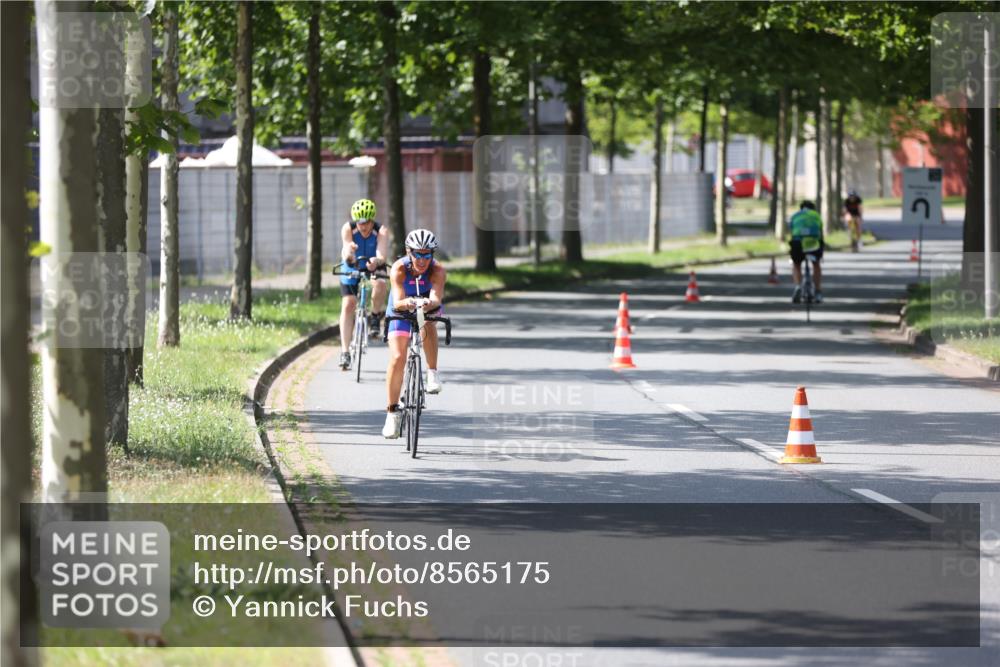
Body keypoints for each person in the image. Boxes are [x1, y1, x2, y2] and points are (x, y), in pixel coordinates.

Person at [382, 229, 447, 439]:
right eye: (417, 254)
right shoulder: (399, 269)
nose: (422, 259)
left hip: (426, 307)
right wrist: (408, 302)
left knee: (428, 322)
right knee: (398, 357)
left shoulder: (437, 271)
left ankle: (432, 373)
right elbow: (398, 300)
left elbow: (436, 298)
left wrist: (428, 303)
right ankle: (392, 413)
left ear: (432, 255)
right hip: (400, 308)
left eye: (427, 254)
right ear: (408, 252)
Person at [338, 198, 389, 370]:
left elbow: (382, 255)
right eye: (360, 223)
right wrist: (349, 253)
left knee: (381, 284)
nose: (363, 226)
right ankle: (345, 352)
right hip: (352, 264)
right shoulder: (348, 228)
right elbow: (346, 249)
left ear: (372, 220)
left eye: (366, 222)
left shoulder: (381, 230)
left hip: (373, 264)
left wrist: (376, 261)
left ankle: (375, 317)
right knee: (348, 304)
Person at [788, 201, 824, 303]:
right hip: (813, 243)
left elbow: (792, 232)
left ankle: (798, 286)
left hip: (798, 243)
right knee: (816, 264)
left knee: (796, 264)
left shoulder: (795, 215)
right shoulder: (816, 215)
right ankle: (818, 291)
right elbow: (820, 234)